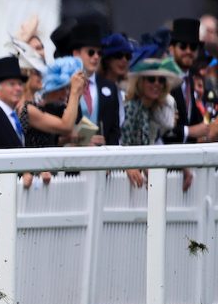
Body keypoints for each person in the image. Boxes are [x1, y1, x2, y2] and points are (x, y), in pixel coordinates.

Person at [120, 57, 213, 190]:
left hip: (145, 183)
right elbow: (123, 144)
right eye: (151, 79)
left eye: (161, 80)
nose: (157, 84)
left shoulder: (156, 110)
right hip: (126, 183)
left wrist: (181, 164)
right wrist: (129, 166)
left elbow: (160, 146)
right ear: (140, 82)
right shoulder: (132, 108)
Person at [70, 22, 120, 146]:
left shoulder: (110, 87)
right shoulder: (65, 86)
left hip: (103, 158)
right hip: (74, 157)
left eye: (100, 53)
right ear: (76, 54)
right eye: (91, 52)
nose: (96, 57)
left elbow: (115, 130)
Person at [21, 56, 86, 149]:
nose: (43, 75)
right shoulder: (26, 108)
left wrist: (64, 140)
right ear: (26, 75)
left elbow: (43, 141)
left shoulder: (35, 105)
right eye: (37, 72)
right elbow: (66, 127)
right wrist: (74, 91)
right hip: (35, 162)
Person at [163, 18, 210, 144]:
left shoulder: (190, 79)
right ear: (171, 49)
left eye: (193, 47)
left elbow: (193, 121)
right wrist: (189, 132)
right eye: (183, 46)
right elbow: (160, 126)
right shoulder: (162, 79)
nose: (188, 51)